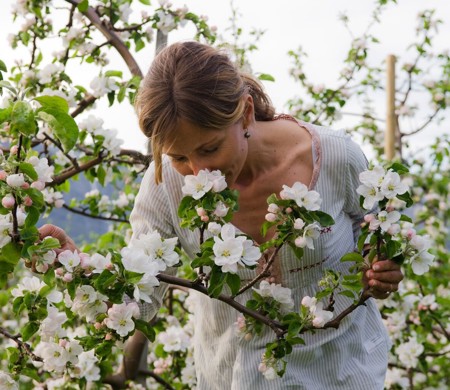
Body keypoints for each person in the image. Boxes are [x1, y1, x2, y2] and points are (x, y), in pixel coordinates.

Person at [40, 41, 403, 389]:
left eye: (209, 148)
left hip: (341, 375)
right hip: (233, 380)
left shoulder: (335, 159)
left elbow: (373, 233)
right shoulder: (165, 185)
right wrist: (77, 269)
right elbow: (141, 301)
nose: (197, 172)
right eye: (179, 157)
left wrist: (382, 269)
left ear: (245, 113)